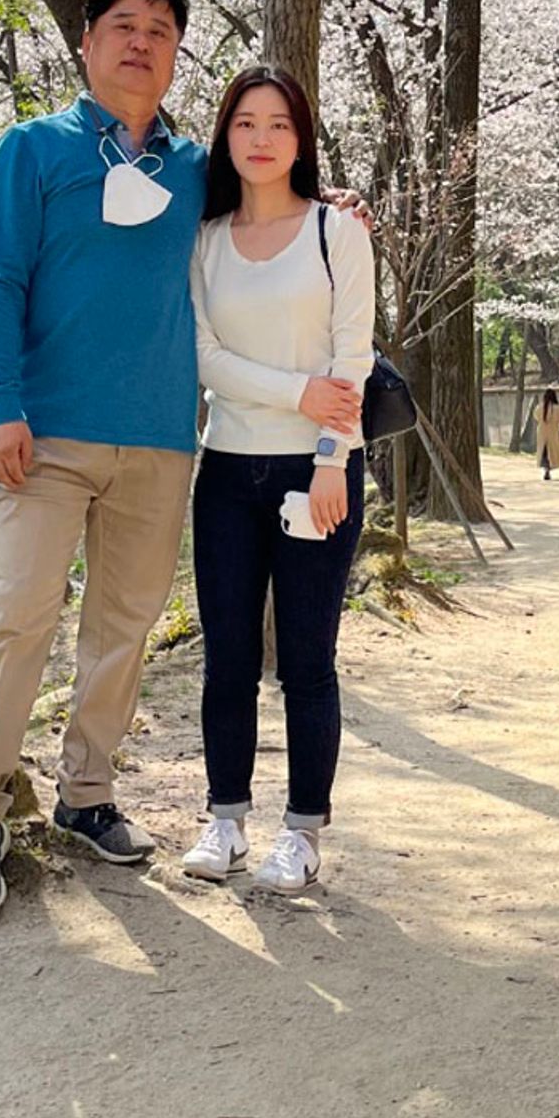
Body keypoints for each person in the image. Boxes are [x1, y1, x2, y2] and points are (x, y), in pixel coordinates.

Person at [0, 0, 371, 920]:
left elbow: (271, 203)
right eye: (123, 26)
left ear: (177, 56)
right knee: (17, 613)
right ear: (87, 44)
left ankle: (87, 796)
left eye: (162, 31)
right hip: (45, 432)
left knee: (123, 625)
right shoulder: (32, 151)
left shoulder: (192, 169)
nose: (142, 42)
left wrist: (334, 208)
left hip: (164, 440)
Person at [179, 66, 373, 894]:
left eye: (279, 125)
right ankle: (224, 818)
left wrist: (333, 456)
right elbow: (204, 357)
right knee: (226, 657)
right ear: (227, 137)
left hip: (319, 470)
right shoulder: (207, 237)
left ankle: (302, 833)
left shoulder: (338, 231)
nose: (262, 139)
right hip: (225, 467)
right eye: (246, 124)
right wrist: (294, 391)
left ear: (301, 139)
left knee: (306, 660)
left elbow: (352, 352)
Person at [533, 389, 559, 480]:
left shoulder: (539, 407)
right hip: (553, 432)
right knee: (552, 451)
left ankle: (545, 468)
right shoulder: (557, 408)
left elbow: (536, 417)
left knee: (544, 451)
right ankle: (549, 468)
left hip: (542, 432)